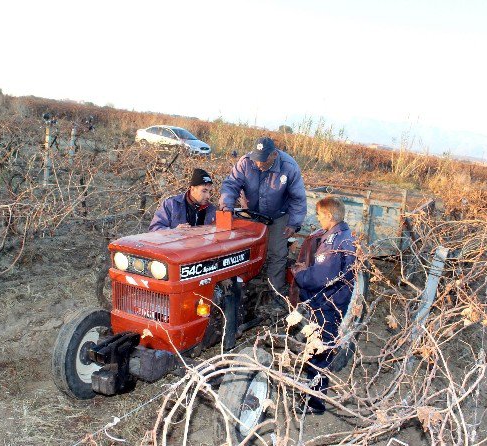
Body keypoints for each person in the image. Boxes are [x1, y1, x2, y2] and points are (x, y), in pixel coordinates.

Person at [291, 196, 357, 414]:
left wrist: (299, 272)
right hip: (335, 301)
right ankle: (311, 395)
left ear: (329, 215)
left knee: (319, 353)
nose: (318, 219)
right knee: (319, 348)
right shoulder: (344, 235)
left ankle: (315, 403)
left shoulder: (333, 243)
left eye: (319, 215)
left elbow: (318, 277)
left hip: (328, 304)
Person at [219, 136, 307, 291]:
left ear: (274, 155)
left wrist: (293, 223)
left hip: (279, 214)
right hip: (252, 212)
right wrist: (227, 207)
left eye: (263, 160)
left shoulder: (289, 167)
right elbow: (231, 184)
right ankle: (244, 284)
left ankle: (275, 291)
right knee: (244, 248)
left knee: (277, 252)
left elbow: (298, 199)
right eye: (256, 159)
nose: (258, 164)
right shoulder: (245, 162)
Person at [149, 168, 216, 231]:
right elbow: (154, 229)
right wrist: (174, 232)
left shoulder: (212, 210)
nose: (208, 196)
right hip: (175, 243)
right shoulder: (171, 204)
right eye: (204, 191)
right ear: (192, 189)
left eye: (209, 191)